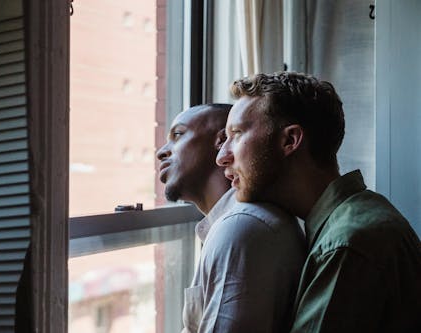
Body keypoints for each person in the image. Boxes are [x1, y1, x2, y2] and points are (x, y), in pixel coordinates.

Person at [216, 72, 421, 333]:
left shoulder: (347, 243)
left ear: (290, 140)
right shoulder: (356, 218)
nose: (222, 157)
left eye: (237, 134)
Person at [156, 103, 305, 333]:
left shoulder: (241, 227)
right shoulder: (238, 223)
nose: (162, 152)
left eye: (178, 135)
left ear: (222, 141)